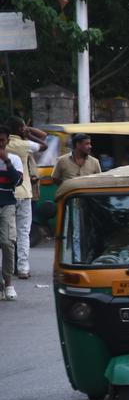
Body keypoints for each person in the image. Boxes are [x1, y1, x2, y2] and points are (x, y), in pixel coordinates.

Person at [8, 118, 46, 280]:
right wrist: (27, 131)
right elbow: (44, 143)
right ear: (19, 129)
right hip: (23, 193)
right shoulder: (24, 145)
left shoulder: (5, 144)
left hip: (6, 194)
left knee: (8, 233)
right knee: (23, 232)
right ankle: (23, 268)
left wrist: (23, 129)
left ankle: (8, 267)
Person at [0, 125, 25, 301]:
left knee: (8, 243)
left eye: (1, 140)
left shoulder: (14, 159)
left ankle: (8, 283)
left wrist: (6, 161)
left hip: (7, 204)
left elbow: (16, 181)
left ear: (7, 141)